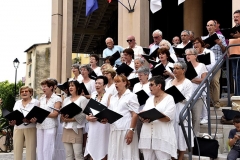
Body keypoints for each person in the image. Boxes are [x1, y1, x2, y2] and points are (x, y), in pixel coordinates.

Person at [138, 75, 177, 160]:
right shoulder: (149, 99)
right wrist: (142, 118)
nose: (149, 87)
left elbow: (168, 117)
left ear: (159, 86)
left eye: (151, 85)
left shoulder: (169, 98)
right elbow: (144, 113)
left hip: (162, 135)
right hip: (147, 135)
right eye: (149, 85)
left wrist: (154, 115)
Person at [104, 74, 140, 160]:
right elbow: (111, 113)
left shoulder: (131, 96)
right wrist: (105, 119)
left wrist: (131, 131)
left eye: (118, 82)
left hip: (126, 130)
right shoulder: (113, 97)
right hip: (114, 130)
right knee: (114, 155)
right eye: (115, 82)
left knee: (126, 155)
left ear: (125, 83)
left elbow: (135, 115)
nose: (116, 84)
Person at [165, 61, 194, 160]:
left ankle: (180, 157)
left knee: (181, 133)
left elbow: (189, 98)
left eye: (177, 68)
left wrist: (179, 97)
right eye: (174, 68)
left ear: (183, 70)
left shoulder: (188, 82)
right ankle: (173, 156)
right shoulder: (169, 82)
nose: (174, 70)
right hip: (171, 109)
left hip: (181, 108)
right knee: (171, 133)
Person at [9, 86, 39, 160]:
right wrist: (12, 121)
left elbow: (38, 115)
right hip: (17, 128)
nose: (24, 93)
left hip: (30, 128)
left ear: (31, 93)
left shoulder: (36, 102)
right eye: (22, 92)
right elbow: (14, 114)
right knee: (17, 150)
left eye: (26, 91)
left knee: (31, 150)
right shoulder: (17, 103)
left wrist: (33, 119)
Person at [84, 76, 110, 160]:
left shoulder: (108, 96)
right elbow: (88, 111)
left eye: (99, 83)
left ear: (105, 85)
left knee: (102, 148)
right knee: (92, 148)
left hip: (103, 126)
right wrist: (87, 118)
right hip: (93, 126)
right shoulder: (93, 95)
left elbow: (110, 111)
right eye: (96, 83)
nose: (97, 85)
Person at [61, 80, 88, 160]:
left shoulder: (82, 99)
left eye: (72, 86)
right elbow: (62, 111)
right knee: (68, 155)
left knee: (78, 154)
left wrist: (71, 119)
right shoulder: (66, 99)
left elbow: (84, 113)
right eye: (69, 86)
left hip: (76, 129)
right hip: (66, 129)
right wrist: (62, 117)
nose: (70, 87)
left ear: (77, 87)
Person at [204, 20, 227, 108]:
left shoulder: (221, 36)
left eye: (211, 25)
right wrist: (204, 47)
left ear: (215, 26)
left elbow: (225, 51)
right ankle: (209, 102)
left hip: (217, 62)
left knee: (214, 81)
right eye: (208, 25)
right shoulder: (204, 38)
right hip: (207, 63)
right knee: (207, 82)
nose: (209, 27)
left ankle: (216, 103)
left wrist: (220, 44)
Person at [37, 79, 62, 160]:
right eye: (42, 87)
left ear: (51, 87)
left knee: (47, 148)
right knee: (40, 148)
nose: (43, 88)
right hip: (40, 125)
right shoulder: (41, 98)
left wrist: (42, 113)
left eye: (45, 87)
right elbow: (38, 112)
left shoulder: (57, 99)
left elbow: (55, 114)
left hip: (50, 126)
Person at [193, 37, 216, 124]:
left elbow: (213, 65)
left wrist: (202, 65)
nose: (195, 45)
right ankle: (198, 116)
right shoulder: (194, 53)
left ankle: (205, 116)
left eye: (197, 43)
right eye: (194, 43)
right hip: (195, 76)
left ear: (201, 43)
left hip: (205, 75)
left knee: (203, 95)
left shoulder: (209, 52)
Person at [185, 48, 208, 136]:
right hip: (187, 93)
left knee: (196, 117)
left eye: (189, 54)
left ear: (195, 56)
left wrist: (192, 79)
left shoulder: (201, 65)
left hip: (198, 94)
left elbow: (204, 80)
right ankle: (188, 135)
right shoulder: (185, 66)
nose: (187, 56)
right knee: (187, 117)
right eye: (186, 55)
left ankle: (195, 135)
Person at [229, 10, 240, 96]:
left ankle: (238, 94)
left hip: (239, 55)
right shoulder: (233, 29)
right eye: (234, 17)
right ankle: (237, 94)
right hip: (233, 54)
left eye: (237, 17)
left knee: (238, 75)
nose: (235, 18)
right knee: (235, 75)